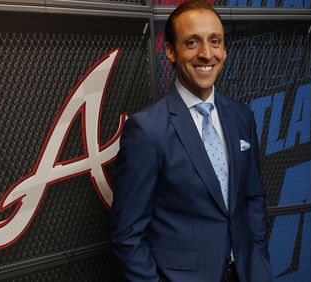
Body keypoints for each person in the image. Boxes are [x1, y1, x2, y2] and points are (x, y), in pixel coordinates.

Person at [110, 1, 272, 281]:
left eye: (215, 41)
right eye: (192, 42)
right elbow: (127, 236)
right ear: (171, 51)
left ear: (224, 50)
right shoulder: (147, 130)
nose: (206, 54)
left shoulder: (241, 114)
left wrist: (259, 260)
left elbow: (253, 197)